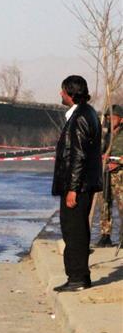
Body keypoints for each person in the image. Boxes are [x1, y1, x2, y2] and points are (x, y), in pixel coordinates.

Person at [52, 75, 102, 292]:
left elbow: (78, 156)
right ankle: (79, 276)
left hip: (78, 187)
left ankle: (77, 278)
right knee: (77, 229)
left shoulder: (80, 117)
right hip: (82, 184)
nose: (60, 94)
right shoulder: (86, 113)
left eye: (63, 91)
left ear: (71, 93)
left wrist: (72, 188)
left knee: (74, 231)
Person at [96, 105, 123, 247]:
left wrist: (117, 163)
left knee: (122, 206)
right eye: (108, 118)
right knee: (105, 204)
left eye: (113, 118)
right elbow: (100, 151)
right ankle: (105, 235)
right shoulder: (105, 135)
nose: (110, 120)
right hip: (106, 174)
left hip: (120, 176)